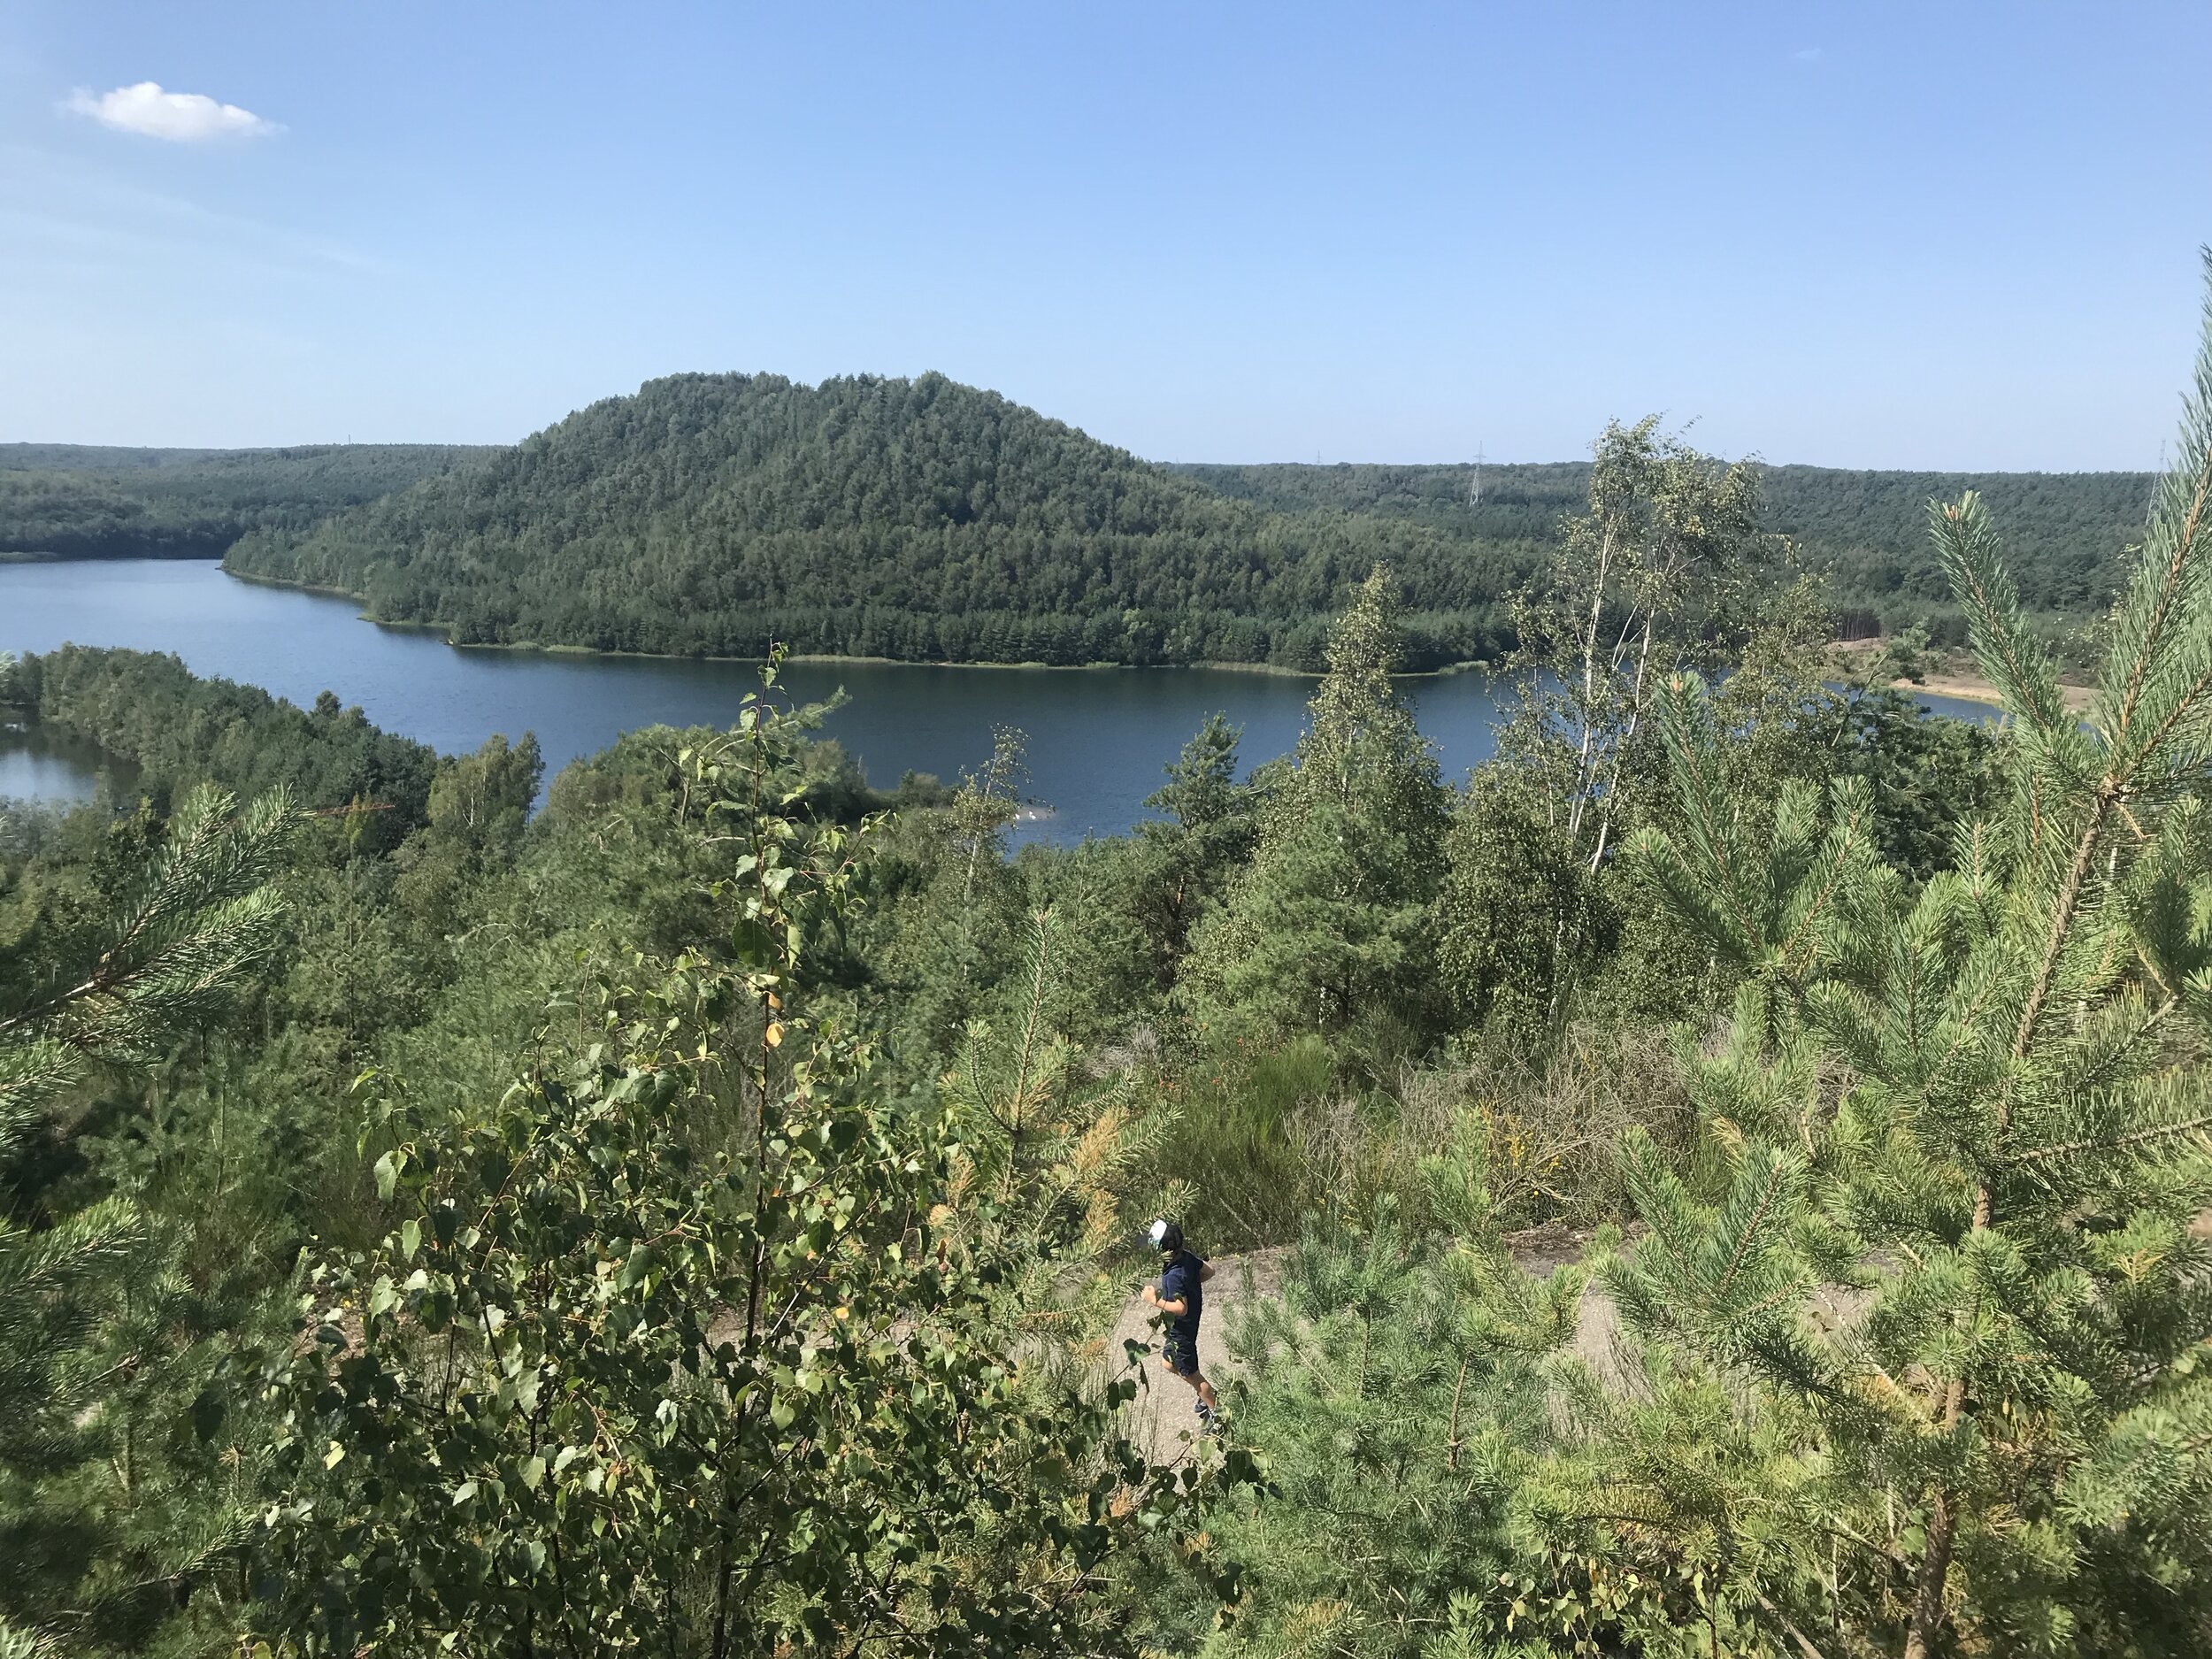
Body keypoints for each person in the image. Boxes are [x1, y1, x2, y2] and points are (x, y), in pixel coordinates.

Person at [1141, 1217, 1218, 1431]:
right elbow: (1209, 1271)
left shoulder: (1172, 1277)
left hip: (1181, 1329)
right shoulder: (1186, 1259)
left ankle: (1216, 1412)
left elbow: (1180, 1308)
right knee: (1168, 1362)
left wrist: (1154, 1300)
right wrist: (1191, 1282)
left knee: (1189, 1372)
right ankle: (1206, 1392)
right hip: (1186, 1326)